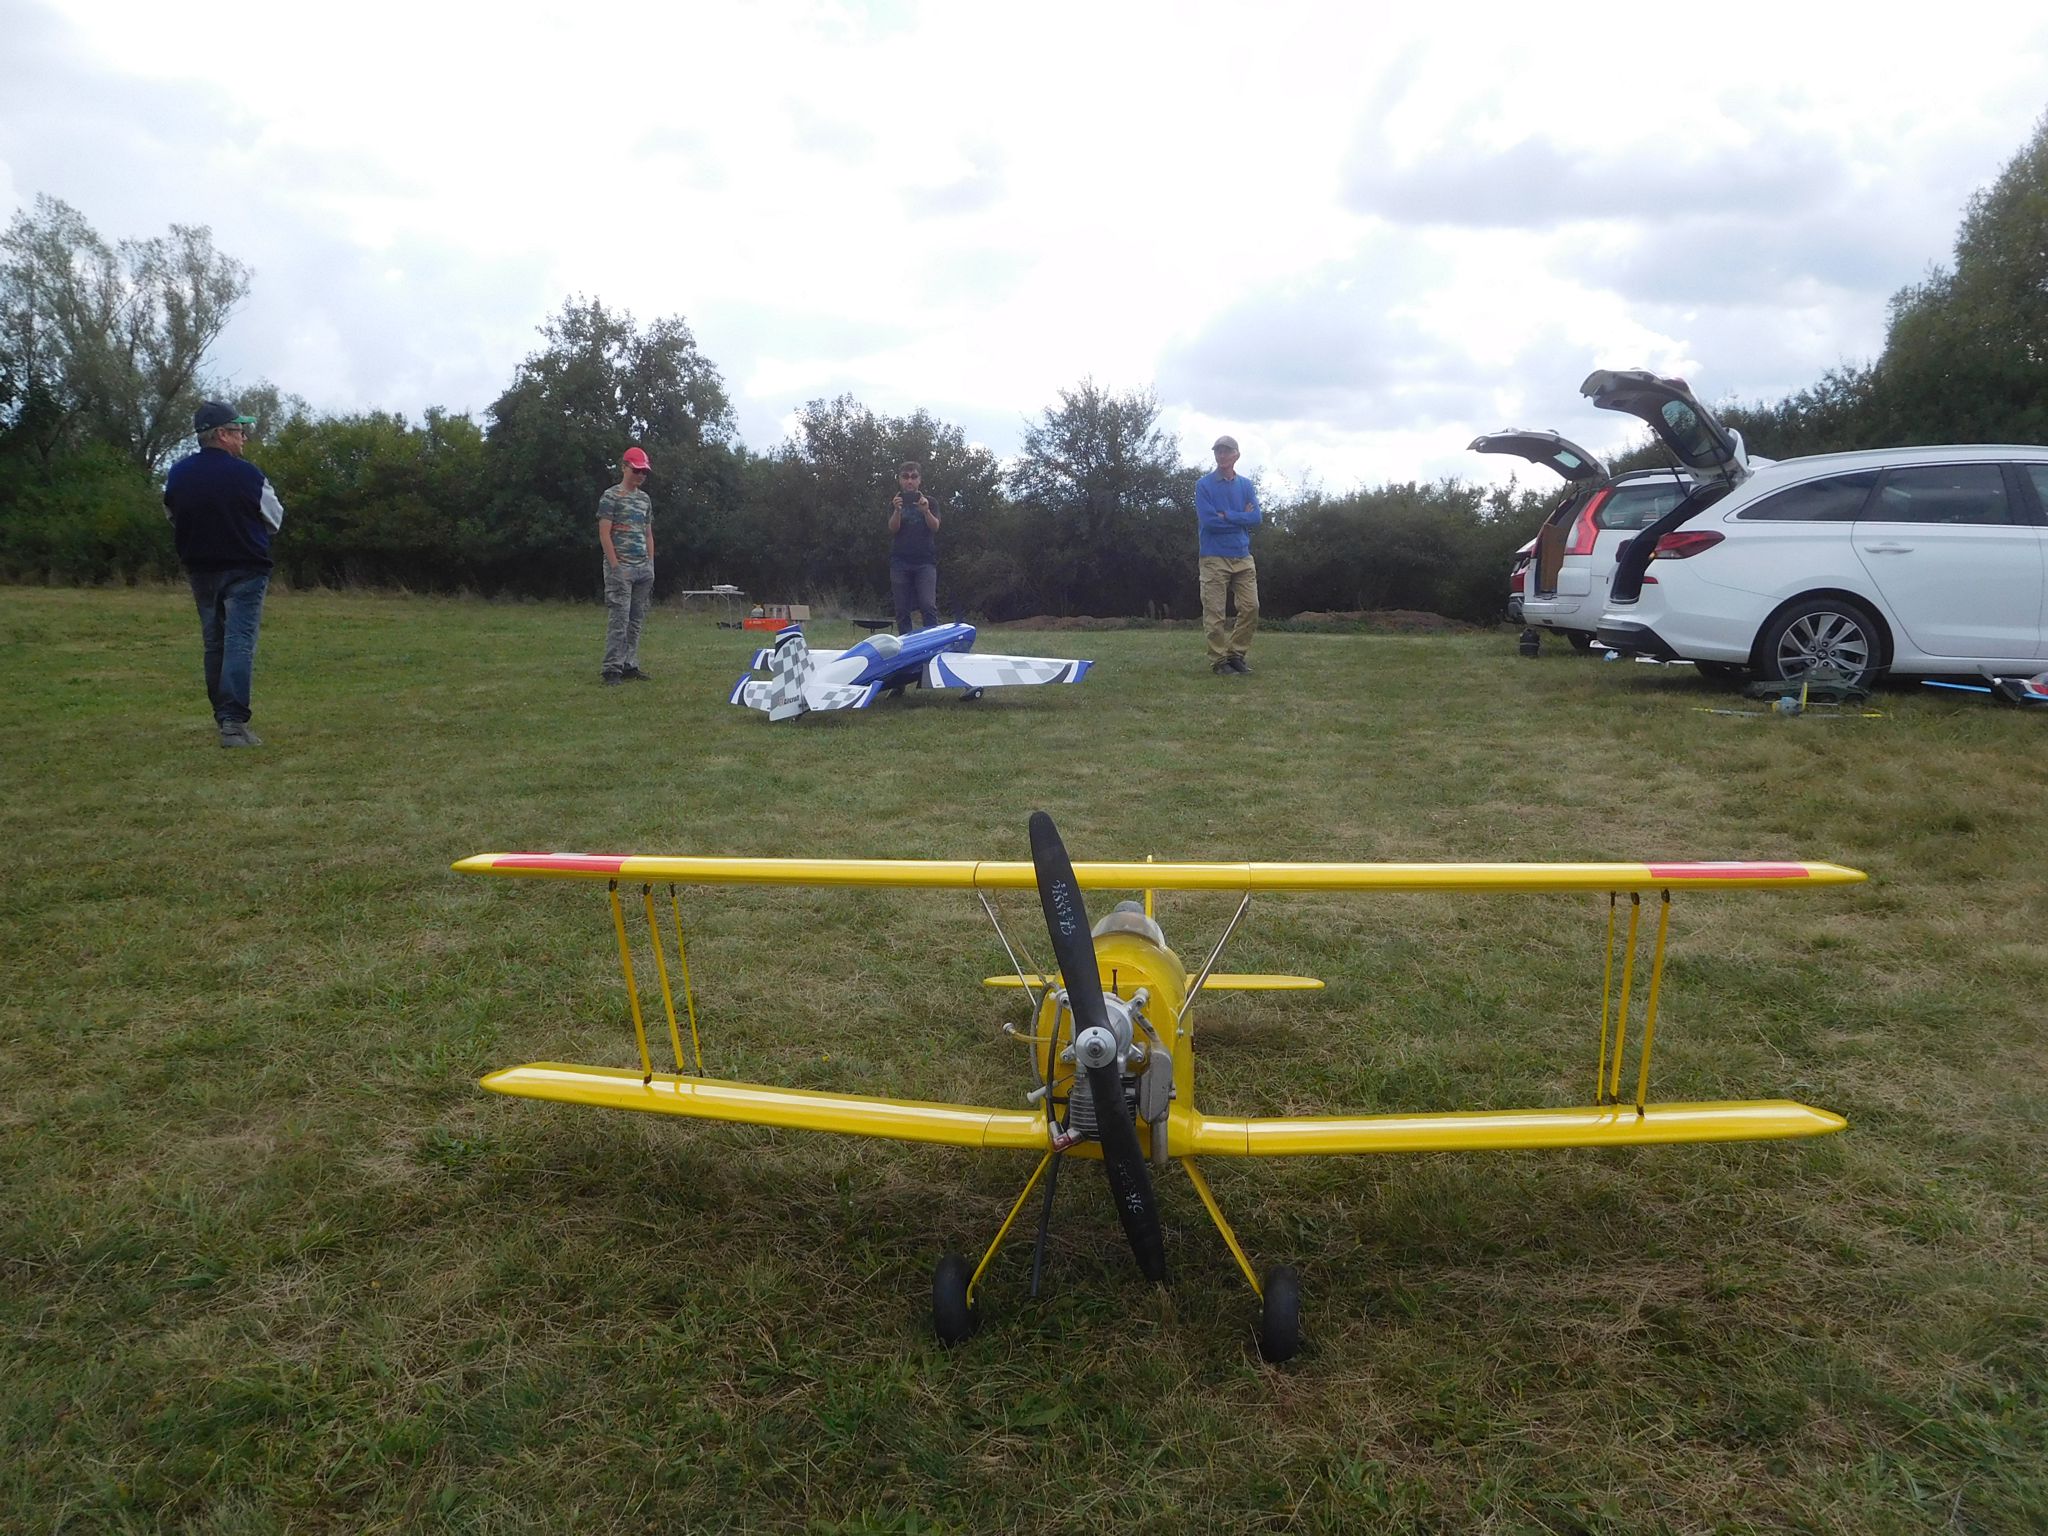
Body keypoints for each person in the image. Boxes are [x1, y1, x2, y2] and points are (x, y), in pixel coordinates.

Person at [162, 401, 286, 746]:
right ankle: (233, 722)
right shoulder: (248, 475)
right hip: (246, 568)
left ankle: (223, 718)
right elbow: (274, 519)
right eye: (238, 431)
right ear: (221, 434)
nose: (243, 437)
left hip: (200, 569)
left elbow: (172, 514)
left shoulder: (178, 474)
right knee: (239, 642)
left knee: (214, 643)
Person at [1194, 434, 1262, 675]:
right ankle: (1219, 661)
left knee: (1251, 607)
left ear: (1236, 455)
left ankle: (1236, 654)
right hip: (1213, 557)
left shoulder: (1246, 485)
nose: (1221, 455)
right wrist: (1241, 517)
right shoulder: (1204, 485)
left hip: (1242, 556)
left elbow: (1257, 518)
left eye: (1226, 451)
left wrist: (1229, 515)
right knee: (1215, 614)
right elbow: (1210, 522)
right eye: (1218, 451)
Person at [598, 446, 656, 684]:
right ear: (624, 468)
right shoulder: (611, 496)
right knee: (619, 620)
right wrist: (615, 567)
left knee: (635, 621)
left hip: (642, 568)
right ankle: (611, 669)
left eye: (644, 472)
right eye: (636, 470)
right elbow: (604, 533)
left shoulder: (644, 499)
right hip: (620, 567)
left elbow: (648, 533)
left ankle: (629, 664)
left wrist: (650, 564)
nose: (640, 475)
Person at [887, 460, 941, 632]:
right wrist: (897, 510)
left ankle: (932, 642)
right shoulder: (895, 502)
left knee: (928, 605)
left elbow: (935, 527)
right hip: (900, 562)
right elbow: (893, 529)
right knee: (902, 609)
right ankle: (906, 644)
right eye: (905, 477)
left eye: (913, 477)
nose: (909, 481)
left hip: (925, 562)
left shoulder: (930, 502)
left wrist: (926, 511)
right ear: (900, 480)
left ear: (919, 480)